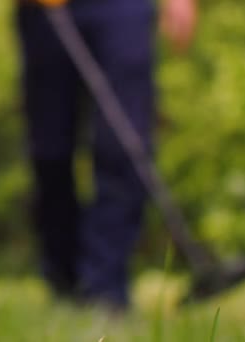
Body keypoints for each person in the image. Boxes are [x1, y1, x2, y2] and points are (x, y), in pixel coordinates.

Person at [15, 0, 196, 308]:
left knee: (125, 145)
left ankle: (105, 289)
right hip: (44, 11)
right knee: (50, 151)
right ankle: (64, 280)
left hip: (123, 8)